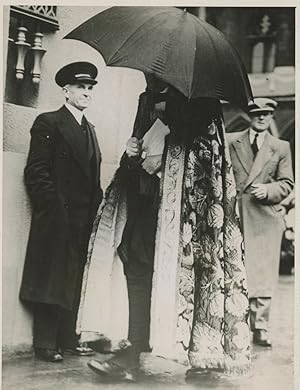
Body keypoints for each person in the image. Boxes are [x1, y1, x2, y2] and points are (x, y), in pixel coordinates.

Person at [78, 75, 251, 381]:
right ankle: (130, 354)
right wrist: (132, 153)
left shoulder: (201, 101)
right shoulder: (146, 99)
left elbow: (207, 157)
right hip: (145, 204)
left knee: (200, 273)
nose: (148, 74)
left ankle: (205, 357)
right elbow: (136, 153)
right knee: (135, 264)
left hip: (190, 213)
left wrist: (169, 152)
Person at [19, 62, 103, 362]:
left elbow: (93, 178)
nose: (86, 92)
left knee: (73, 277)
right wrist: (53, 209)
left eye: (90, 87)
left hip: (83, 220)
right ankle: (45, 343)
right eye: (81, 87)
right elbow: (36, 171)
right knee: (52, 277)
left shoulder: (90, 130)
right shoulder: (49, 122)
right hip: (58, 218)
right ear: (65, 91)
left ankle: (68, 340)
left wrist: (97, 210)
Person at [227, 98, 294, 347]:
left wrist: (268, 190)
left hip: (266, 216)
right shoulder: (232, 141)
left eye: (266, 114)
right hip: (238, 214)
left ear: (272, 116)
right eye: (257, 113)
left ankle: (261, 326)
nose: (262, 118)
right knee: (239, 270)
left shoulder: (281, 146)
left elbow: (287, 183)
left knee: (264, 274)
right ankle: (239, 322)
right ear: (250, 115)